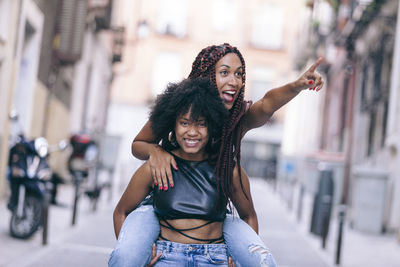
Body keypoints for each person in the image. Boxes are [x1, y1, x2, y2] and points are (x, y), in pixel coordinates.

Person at [111, 43, 323, 266]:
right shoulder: (178, 106)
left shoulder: (237, 119)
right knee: (126, 257)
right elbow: (138, 144)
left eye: (239, 74)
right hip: (164, 204)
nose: (234, 81)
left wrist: (296, 86)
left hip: (214, 212)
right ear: (206, 76)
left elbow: (267, 104)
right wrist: (156, 151)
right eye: (225, 72)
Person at [111, 77, 274, 266]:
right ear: (173, 124)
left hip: (215, 259)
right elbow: (121, 212)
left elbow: (249, 216)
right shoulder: (156, 166)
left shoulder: (228, 169)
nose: (193, 132)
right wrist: (136, 256)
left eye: (202, 124)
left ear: (212, 126)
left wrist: (242, 257)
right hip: (165, 258)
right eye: (185, 123)